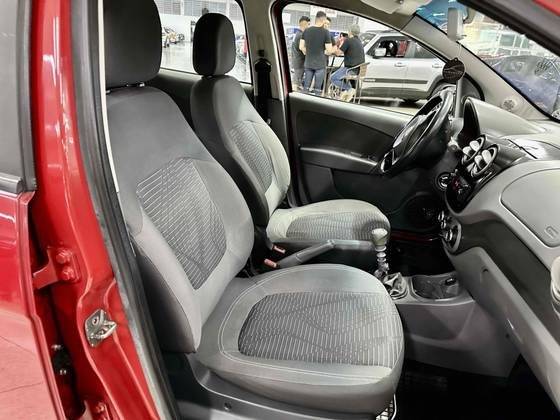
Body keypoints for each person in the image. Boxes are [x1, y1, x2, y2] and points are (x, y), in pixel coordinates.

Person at [300, 11, 335, 95]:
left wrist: (308, 51)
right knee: (317, 89)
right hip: (320, 65)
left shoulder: (306, 30)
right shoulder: (326, 32)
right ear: (324, 20)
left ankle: (303, 101)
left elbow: (301, 47)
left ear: (316, 19)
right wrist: (328, 50)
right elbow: (329, 50)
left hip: (308, 63)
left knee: (306, 88)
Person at [330, 24, 365, 101]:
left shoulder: (348, 40)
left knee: (333, 78)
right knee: (343, 78)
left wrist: (333, 47)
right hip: (358, 70)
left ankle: (349, 89)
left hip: (350, 69)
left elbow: (338, 53)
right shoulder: (359, 41)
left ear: (350, 31)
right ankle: (347, 92)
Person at [291, 16, 310, 90]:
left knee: (297, 81)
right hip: (299, 62)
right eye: (308, 24)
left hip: (296, 60)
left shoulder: (297, 33)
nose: (309, 26)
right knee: (296, 82)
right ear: (304, 24)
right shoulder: (301, 35)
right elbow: (303, 49)